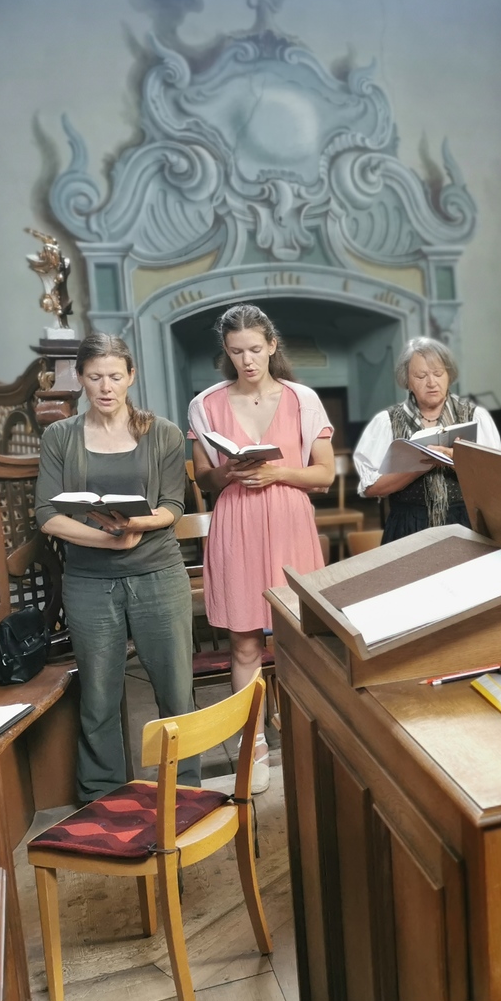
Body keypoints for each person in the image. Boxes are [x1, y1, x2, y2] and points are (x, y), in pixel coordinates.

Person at [35, 334, 197, 802]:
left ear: (131, 377)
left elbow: (173, 505)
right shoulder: (60, 436)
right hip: (89, 581)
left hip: (158, 574)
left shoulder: (163, 433)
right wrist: (108, 538)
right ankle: (101, 797)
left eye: (114, 376)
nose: (105, 387)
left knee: (176, 692)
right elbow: (47, 514)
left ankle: (186, 793)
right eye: (94, 377)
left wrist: (135, 526)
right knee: (99, 696)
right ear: (80, 379)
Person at [188, 304, 336, 791]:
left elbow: (325, 475)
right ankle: (254, 748)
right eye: (236, 352)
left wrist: (278, 472)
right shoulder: (206, 404)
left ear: (272, 345)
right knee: (245, 642)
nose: (247, 360)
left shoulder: (302, 399)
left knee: (299, 639)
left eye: (255, 349)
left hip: (289, 521)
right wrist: (225, 472)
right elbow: (205, 478)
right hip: (237, 523)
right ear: (225, 352)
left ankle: (307, 737)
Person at [354, 337, 501, 541]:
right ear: (407, 381)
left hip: (464, 524)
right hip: (408, 527)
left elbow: (496, 479)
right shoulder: (386, 422)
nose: (431, 383)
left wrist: (457, 460)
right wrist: (419, 466)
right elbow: (371, 488)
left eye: (438, 373)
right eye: (421, 376)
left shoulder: (475, 417)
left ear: (449, 375)